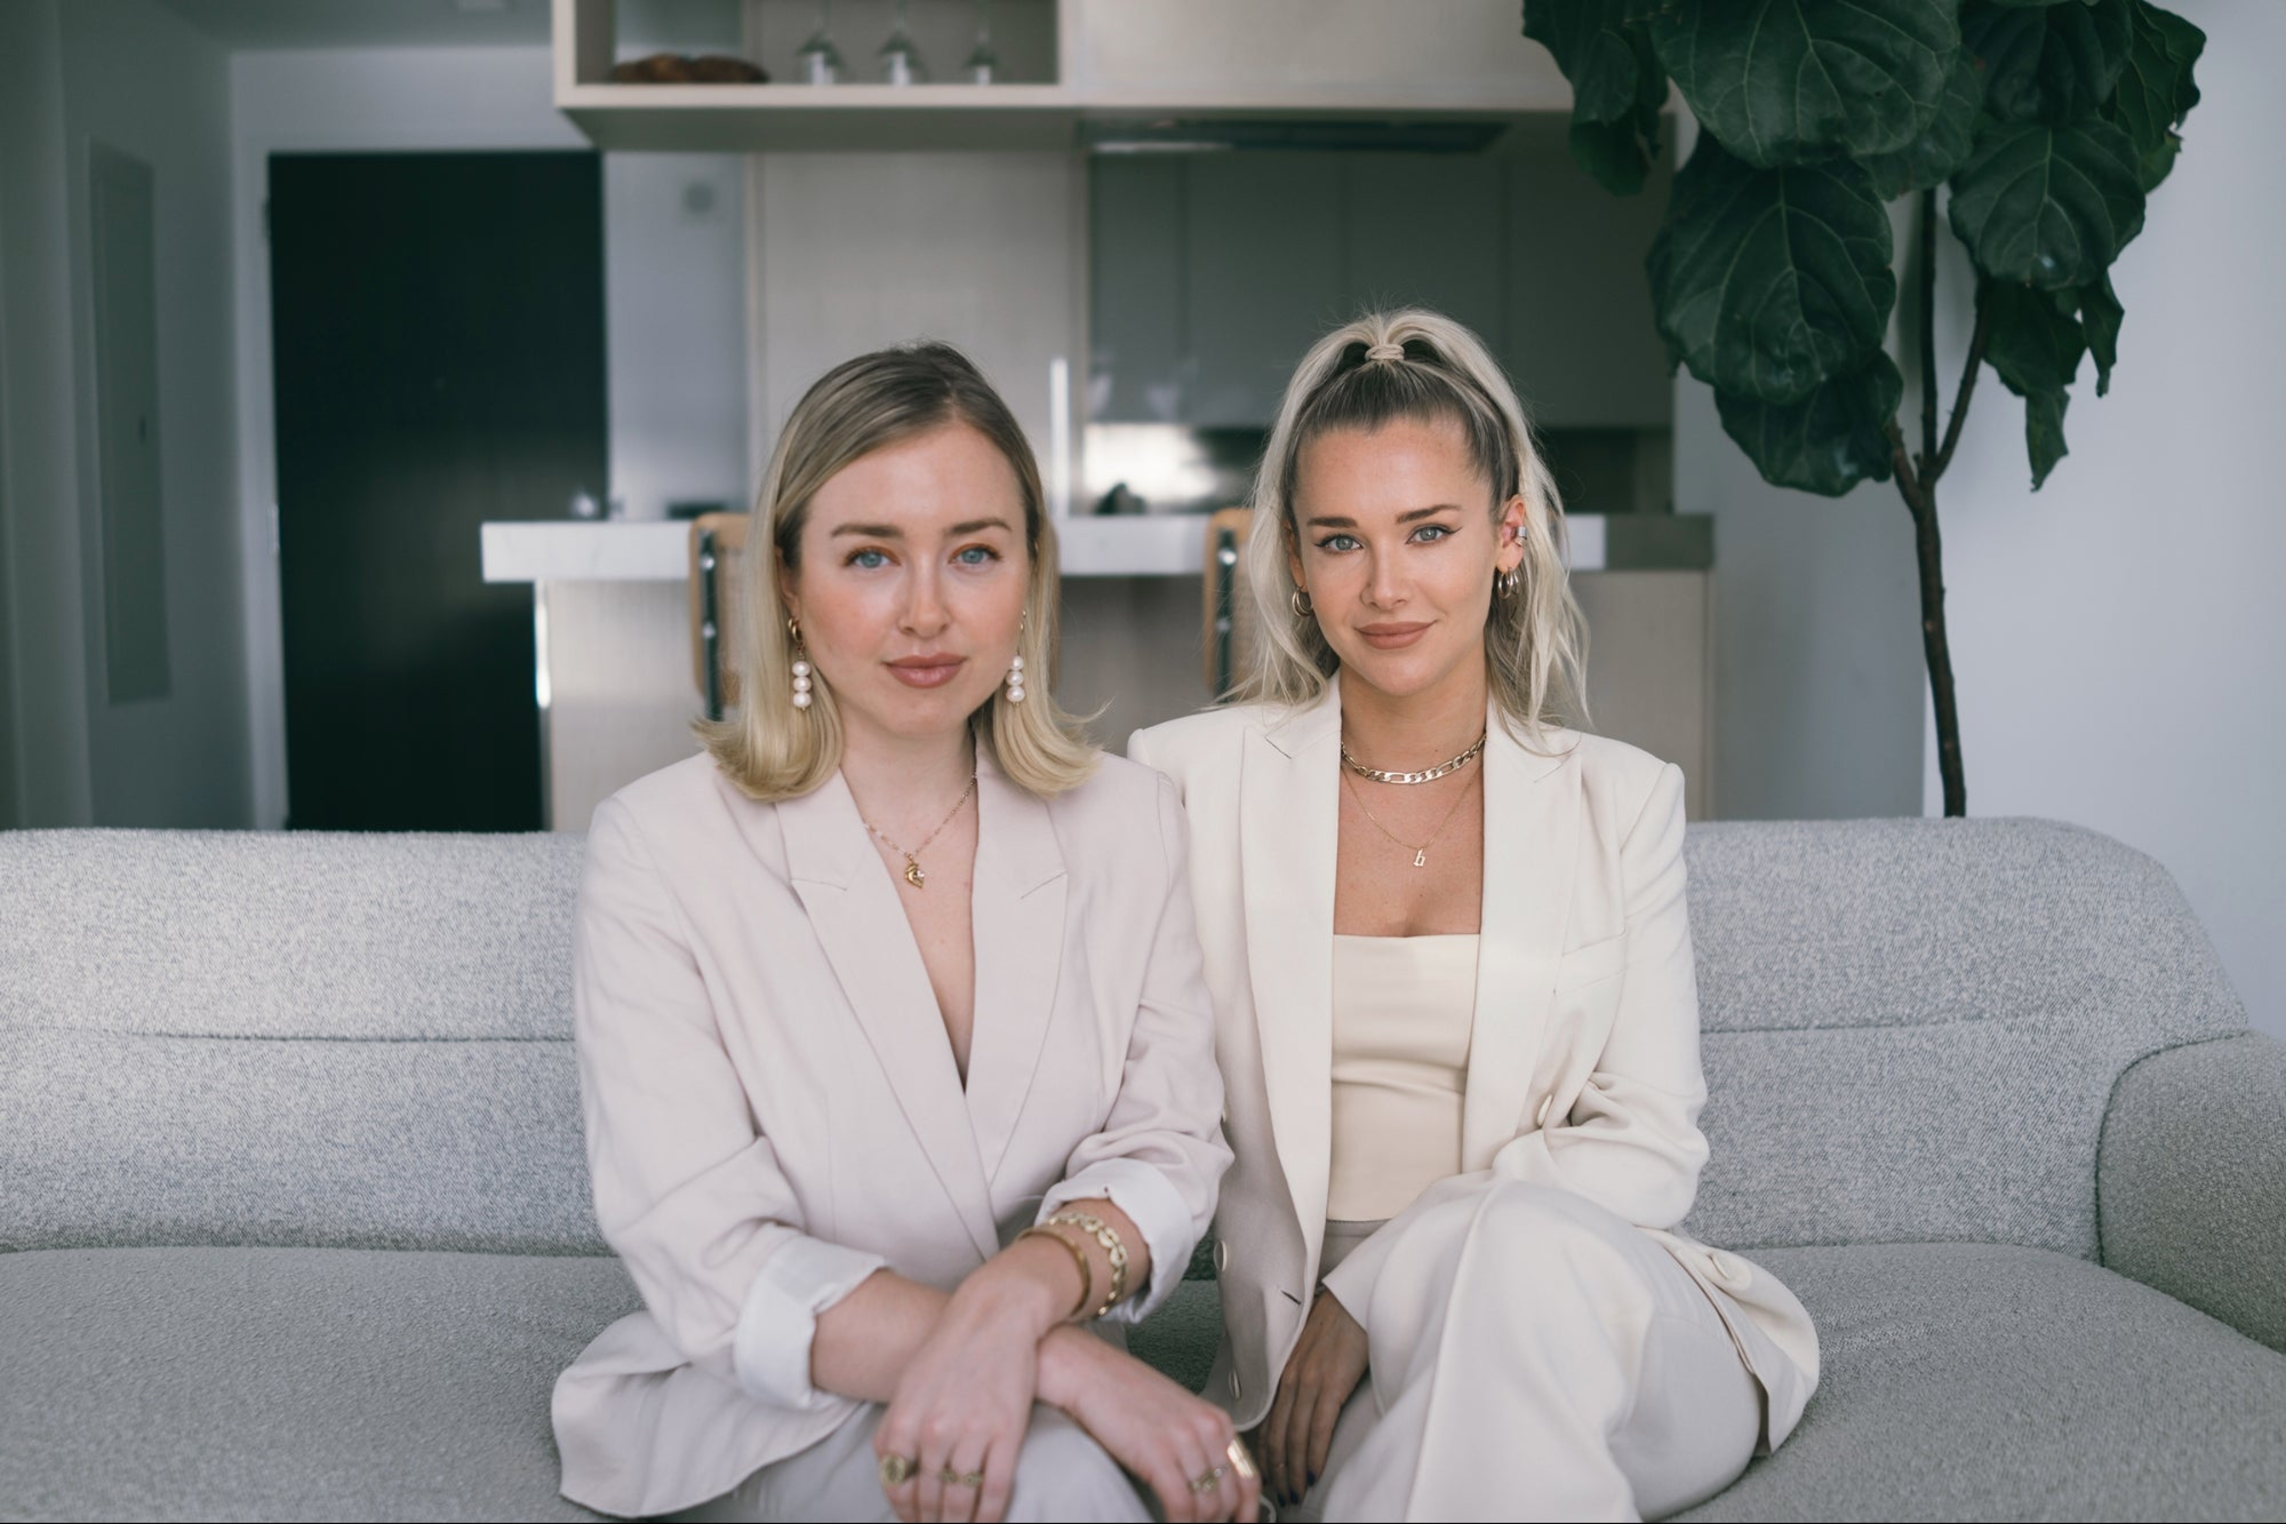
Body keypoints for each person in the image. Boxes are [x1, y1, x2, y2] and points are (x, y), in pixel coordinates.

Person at [1128, 309, 1820, 1521]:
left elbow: (1654, 1146)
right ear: (1294, 556)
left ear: (1508, 536)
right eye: (1341, 541)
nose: (1386, 586)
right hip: (1322, 1377)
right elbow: (1124, 1109)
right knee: (1413, 1471)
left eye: (1429, 531)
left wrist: (1386, 1278)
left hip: (1604, 1318)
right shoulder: (1186, 783)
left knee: (1514, 1254)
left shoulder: (1621, 800)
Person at [553, 342, 1254, 1524]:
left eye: (973, 553)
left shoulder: (1132, 821)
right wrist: (1065, 1364)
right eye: (870, 556)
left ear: (1030, 573)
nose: (927, 612)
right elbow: (706, 1247)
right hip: (775, 1399)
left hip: (1051, 1390)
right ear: (787, 580)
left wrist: (1018, 1303)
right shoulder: (660, 848)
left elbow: (1170, 1144)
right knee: (1059, 1484)